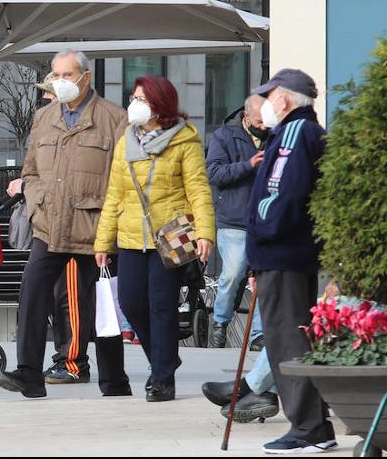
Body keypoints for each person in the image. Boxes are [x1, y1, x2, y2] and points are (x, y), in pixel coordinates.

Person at [0, 49, 130, 399]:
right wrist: (38, 198)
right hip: (50, 225)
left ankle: (115, 380)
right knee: (32, 290)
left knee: (101, 304)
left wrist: (110, 226)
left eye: (66, 75)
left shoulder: (115, 118)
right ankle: (28, 372)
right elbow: (31, 171)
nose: (59, 82)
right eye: (55, 75)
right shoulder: (44, 117)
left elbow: (124, 178)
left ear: (86, 77)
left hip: (94, 227)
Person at [93, 75, 216, 402]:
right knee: (131, 303)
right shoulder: (126, 141)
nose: (134, 105)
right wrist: (103, 242)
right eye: (133, 98)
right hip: (131, 235)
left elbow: (198, 190)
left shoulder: (184, 140)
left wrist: (205, 233)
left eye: (141, 100)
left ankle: (162, 378)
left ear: (160, 106)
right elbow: (114, 195)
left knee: (161, 306)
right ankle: (166, 358)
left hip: (171, 234)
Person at [246, 69, 336, 454]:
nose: (265, 105)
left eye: (269, 96)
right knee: (289, 339)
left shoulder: (296, 133)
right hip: (281, 253)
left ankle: (309, 427)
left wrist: (260, 229)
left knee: (288, 341)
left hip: (283, 253)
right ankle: (312, 424)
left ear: (283, 99)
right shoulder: (290, 133)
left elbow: (283, 193)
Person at [206, 94, 270, 350]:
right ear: (246, 115)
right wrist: (248, 165)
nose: (263, 126)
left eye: (266, 121)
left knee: (266, 278)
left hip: (266, 220)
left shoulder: (274, 135)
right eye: (258, 121)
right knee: (233, 273)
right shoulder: (224, 136)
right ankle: (221, 321)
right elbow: (214, 173)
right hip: (234, 218)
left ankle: (258, 333)